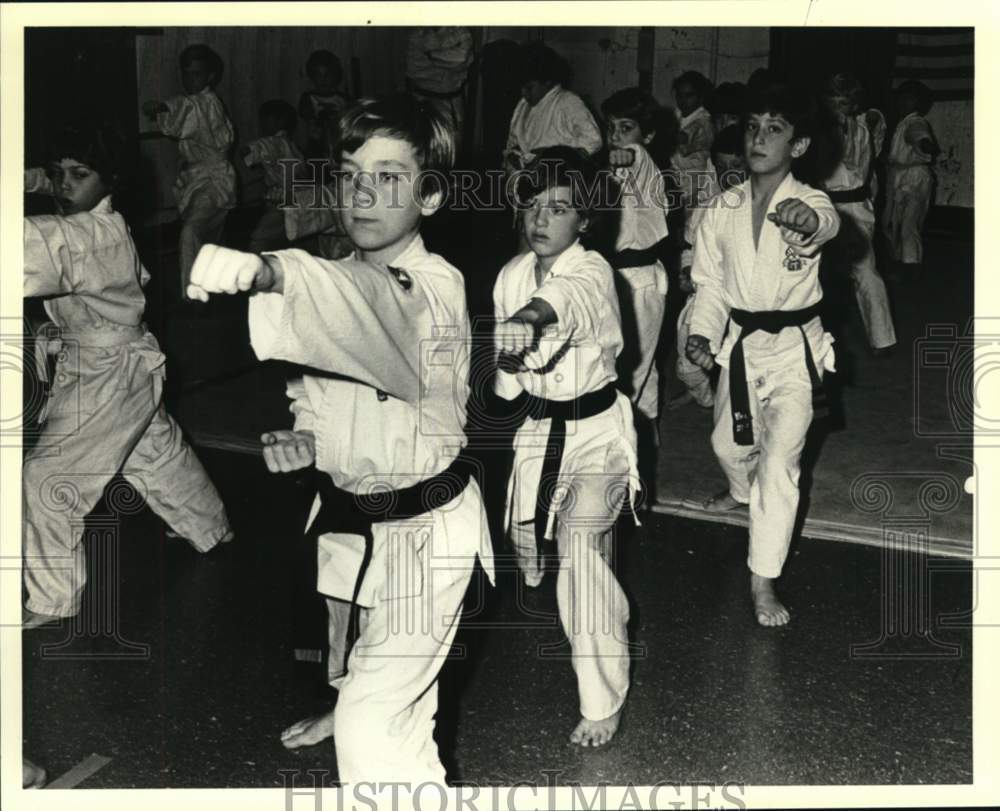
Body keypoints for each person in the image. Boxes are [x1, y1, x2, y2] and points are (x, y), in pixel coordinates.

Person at [186, 94, 494, 784]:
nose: (364, 192)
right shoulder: (348, 270)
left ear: (433, 196)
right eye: (353, 174)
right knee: (376, 687)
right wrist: (305, 442)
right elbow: (319, 399)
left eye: (390, 177)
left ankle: (363, 713)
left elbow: (372, 301)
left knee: (370, 723)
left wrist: (274, 272)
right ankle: (362, 701)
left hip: (424, 534)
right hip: (358, 521)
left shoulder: (433, 289)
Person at [22, 121, 233, 628]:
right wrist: (37, 180)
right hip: (127, 363)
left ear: (110, 179)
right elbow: (54, 193)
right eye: (58, 174)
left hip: (109, 372)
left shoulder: (86, 236)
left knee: (47, 477)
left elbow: (32, 246)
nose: (65, 185)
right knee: (154, 452)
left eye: (79, 174)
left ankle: (52, 598)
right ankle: (210, 526)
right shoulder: (105, 221)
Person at [493, 146, 638, 747]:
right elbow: (506, 374)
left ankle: (603, 699)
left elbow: (564, 303)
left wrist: (530, 318)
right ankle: (551, 567)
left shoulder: (593, 270)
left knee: (580, 553)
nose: (541, 218)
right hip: (537, 433)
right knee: (529, 543)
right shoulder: (509, 274)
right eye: (533, 204)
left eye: (559, 208)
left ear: (585, 220)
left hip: (598, 435)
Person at [685, 84, 840, 627]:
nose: (758, 138)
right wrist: (702, 334)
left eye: (775, 129)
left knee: (779, 464)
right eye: (753, 126)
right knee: (728, 445)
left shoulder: (810, 199)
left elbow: (825, 224)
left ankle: (763, 579)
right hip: (742, 348)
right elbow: (708, 286)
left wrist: (807, 221)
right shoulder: (720, 210)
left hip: (797, 353)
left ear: (797, 146)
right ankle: (736, 489)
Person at [601, 88, 670, 450]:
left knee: (631, 366)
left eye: (626, 126)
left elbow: (631, 154)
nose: (615, 135)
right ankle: (648, 432)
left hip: (639, 279)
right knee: (643, 362)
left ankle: (625, 438)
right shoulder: (615, 170)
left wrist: (620, 151)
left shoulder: (641, 160)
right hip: (622, 274)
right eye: (610, 126)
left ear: (648, 135)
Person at [143, 44, 236, 298]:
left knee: (191, 232)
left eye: (196, 74)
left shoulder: (207, 103)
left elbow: (187, 107)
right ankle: (213, 286)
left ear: (210, 77)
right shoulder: (200, 103)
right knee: (207, 235)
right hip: (197, 177)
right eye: (185, 73)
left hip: (215, 180)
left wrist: (163, 108)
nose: (188, 80)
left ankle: (191, 293)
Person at [668, 123, 747, 411]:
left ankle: (729, 405)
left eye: (737, 165)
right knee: (687, 361)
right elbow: (690, 245)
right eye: (722, 166)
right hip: (702, 296)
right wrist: (687, 270)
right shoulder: (709, 204)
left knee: (736, 364)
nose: (729, 174)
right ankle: (704, 395)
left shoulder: (759, 206)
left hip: (740, 302)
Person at [821, 73, 896, 355]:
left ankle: (882, 339)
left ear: (852, 104)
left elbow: (851, 157)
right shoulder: (830, 128)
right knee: (814, 272)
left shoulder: (856, 129)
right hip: (828, 204)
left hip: (851, 207)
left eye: (842, 102)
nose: (836, 106)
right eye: (832, 100)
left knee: (865, 270)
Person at [504, 42, 602, 174]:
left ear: (547, 81)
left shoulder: (568, 102)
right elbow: (513, 140)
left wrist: (550, 155)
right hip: (526, 179)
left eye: (529, 88)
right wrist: (512, 154)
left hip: (558, 178)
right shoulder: (522, 106)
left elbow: (594, 140)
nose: (523, 93)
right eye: (520, 87)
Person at [883, 79, 939, 280]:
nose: (903, 102)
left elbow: (919, 137)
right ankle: (900, 263)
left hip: (914, 178)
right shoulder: (903, 122)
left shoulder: (915, 122)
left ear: (918, 102)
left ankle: (911, 267)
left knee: (909, 224)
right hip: (901, 176)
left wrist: (925, 145)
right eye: (902, 97)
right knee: (894, 222)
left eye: (909, 98)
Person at [240, 99, 304, 253]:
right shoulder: (292, 145)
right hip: (299, 199)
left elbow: (257, 149)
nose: (261, 124)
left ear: (278, 121)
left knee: (259, 239)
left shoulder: (275, 142)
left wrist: (245, 152)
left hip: (282, 202)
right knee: (289, 238)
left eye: (264, 120)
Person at [405, 27, 474, 152]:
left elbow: (462, 58)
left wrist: (431, 55)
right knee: (422, 149)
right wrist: (449, 53)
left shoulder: (459, 29)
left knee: (452, 149)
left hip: (453, 102)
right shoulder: (419, 34)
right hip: (422, 101)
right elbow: (418, 61)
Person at [671, 70, 715, 212]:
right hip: (677, 180)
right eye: (679, 95)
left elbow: (684, 143)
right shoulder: (677, 114)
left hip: (695, 183)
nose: (683, 100)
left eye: (689, 96)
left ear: (700, 96)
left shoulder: (703, 120)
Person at [298, 49, 351, 162]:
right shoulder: (308, 97)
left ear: (335, 76)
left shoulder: (342, 98)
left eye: (327, 75)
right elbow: (308, 118)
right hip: (317, 145)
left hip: (339, 142)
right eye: (319, 75)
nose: (323, 79)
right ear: (312, 76)